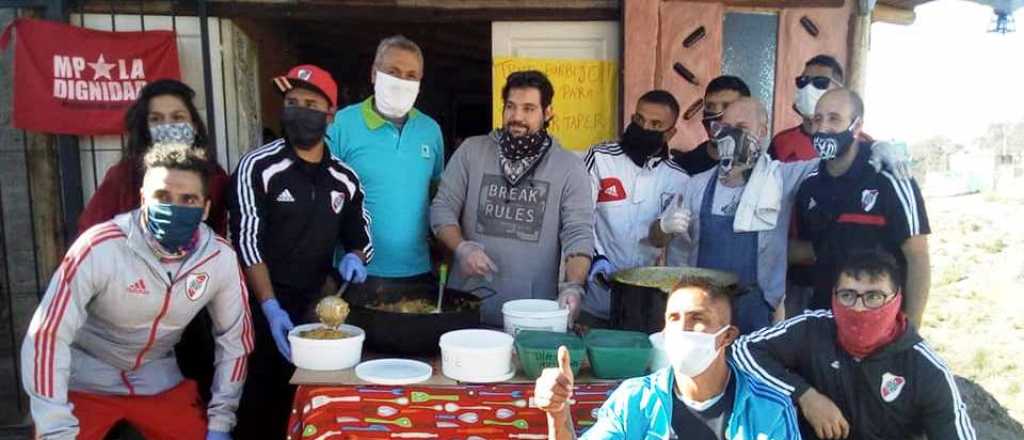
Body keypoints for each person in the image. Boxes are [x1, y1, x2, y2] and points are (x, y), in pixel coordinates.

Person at [20, 143, 252, 440]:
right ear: (143, 199)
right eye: (163, 197)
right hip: (84, 378)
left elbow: (235, 340)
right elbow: (47, 335)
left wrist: (221, 422)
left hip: (156, 377)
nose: (174, 208)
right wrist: (54, 426)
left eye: (188, 199)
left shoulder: (219, 258)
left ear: (206, 208)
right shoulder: (99, 247)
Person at [651, 97, 909, 334]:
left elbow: (836, 161)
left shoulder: (781, 177)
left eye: (742, 127)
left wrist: (873, 148)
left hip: (755, 310)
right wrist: (663, 227)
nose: (731, 134)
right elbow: (656, 240)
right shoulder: (695, 185)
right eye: (725, 127)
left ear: (762, 131)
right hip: (702, 310)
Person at [230, 65, 373, 438]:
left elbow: (361, 236)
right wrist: (269, 306)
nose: (299, 111)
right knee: (260, 402)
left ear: (330, 115)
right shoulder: (257, 167)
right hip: (259, 307)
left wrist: (356, 257)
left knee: (312, 400)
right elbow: (246, 241)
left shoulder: (345, 178)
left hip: (316, 309)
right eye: (292, 103)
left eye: (311, 104)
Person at [733, 249, 975, 440]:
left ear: (896, 300)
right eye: (847, 295)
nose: (858, 308)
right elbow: (742, 349)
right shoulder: (812, 329)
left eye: (873, 297)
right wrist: (805, 395)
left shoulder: (925, 368)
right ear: (834, 296)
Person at [534, 278, 800, 439]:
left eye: (697, 318)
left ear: (726, 336)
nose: (682, 328)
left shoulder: (769, 409)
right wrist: (557, 413)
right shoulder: (634, 400)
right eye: (673, 318)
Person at [430, 70, 594, 326]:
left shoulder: (569, 167)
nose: (517, 117)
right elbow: (442, 209)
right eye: (511, 106)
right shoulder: (472, 151)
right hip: (467, 304)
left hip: (533, 313)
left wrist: (573, 286)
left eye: (529, 108)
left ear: (548, 112)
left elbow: (578, 234)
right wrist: (461, 247)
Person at [793, 88, 929, 328]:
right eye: (818, 119)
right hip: (825, 319)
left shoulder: (890, 178)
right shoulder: (808, 185)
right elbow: (812, 249)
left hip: (881, 321)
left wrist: (911, 328)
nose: (823, 128)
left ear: (857, 126)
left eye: (834, 119)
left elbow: (917, 256)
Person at [326, 36, 444, 291]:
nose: (402, 81)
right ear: (374, 74)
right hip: (355, 270)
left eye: (411, 75)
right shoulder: (340, 124)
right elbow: (322, 196)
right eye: (393, 72)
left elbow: (437, 194)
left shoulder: (431, 131)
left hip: (417, 270)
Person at [582, 90, 690, 328]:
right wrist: (596, 259)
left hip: (644, 303)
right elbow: (579, 219)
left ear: (670, 133)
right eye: (640, 120)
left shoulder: (678, 179)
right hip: (594, 295)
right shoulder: (600, 158)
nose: (644, 128)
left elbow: (660, 240)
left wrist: (664, 227)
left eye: (655, 125)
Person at [78, 79, 230, 236]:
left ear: (194, 126)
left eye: (177, 117)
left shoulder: (215, 178)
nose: (167, 126)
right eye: (156, 119)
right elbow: (90, 232)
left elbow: (218, 234)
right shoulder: (122, 177)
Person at [769, 55, 845, 162]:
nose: (808, 88)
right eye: (803, 81)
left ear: (839, 91)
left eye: (820, 82)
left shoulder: (856, 143)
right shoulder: (781, 142)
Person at [672, 75, 751, 175]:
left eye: (727, 107)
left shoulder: (762, 171)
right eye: (710, 107)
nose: (716, 114)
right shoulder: (680, 169)